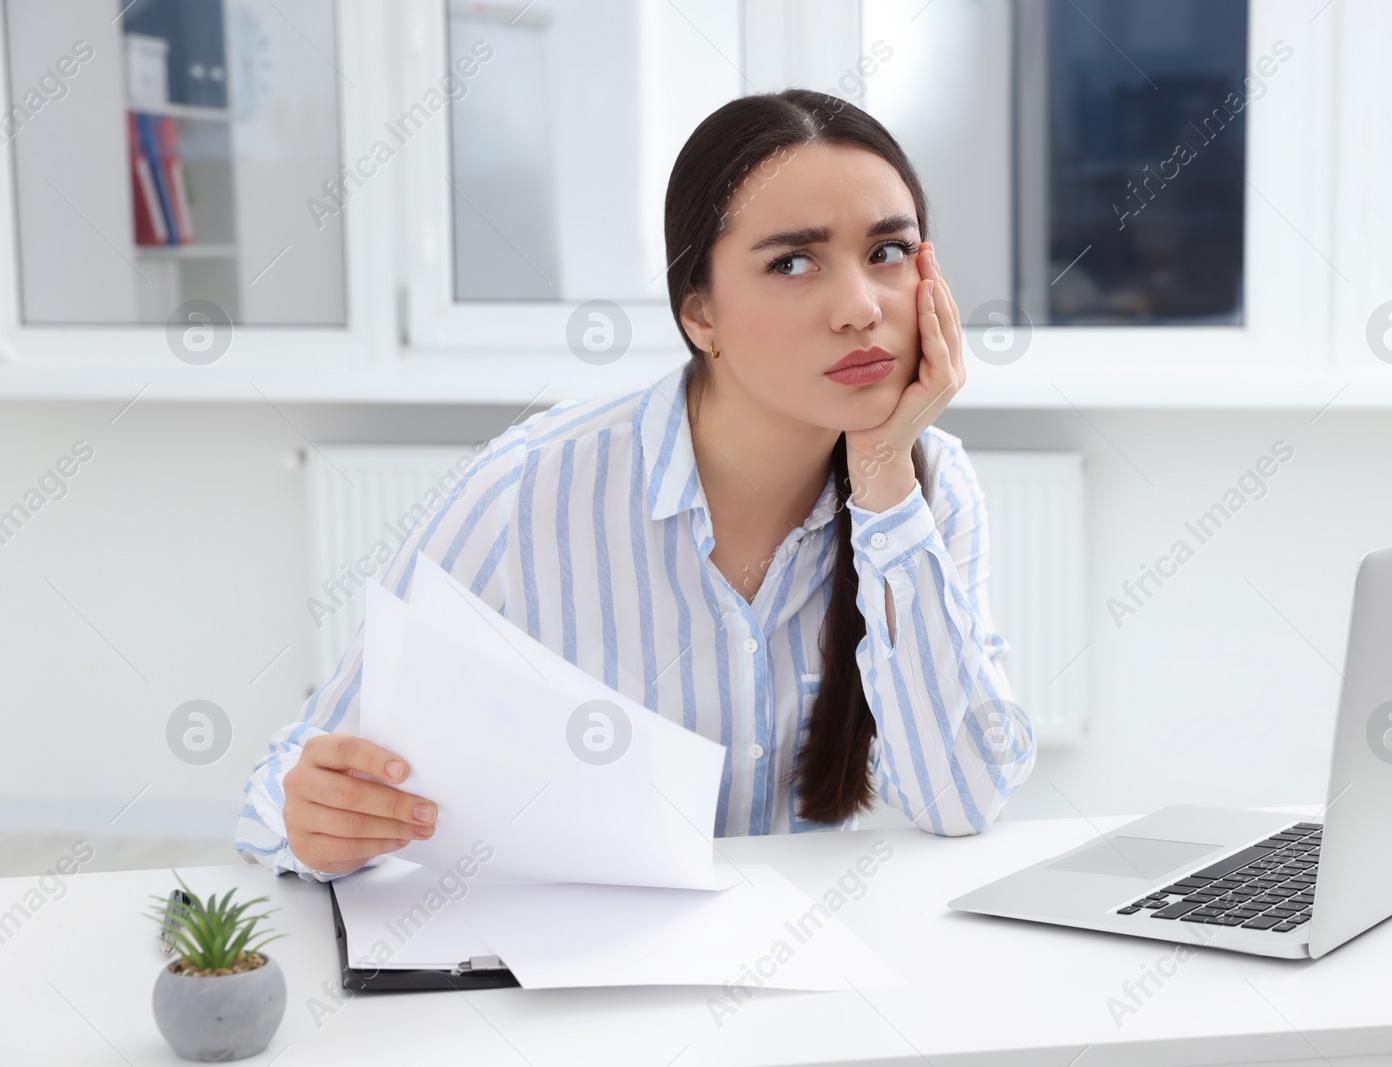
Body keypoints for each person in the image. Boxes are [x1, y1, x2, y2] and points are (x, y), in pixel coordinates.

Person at [236, 88, 1036, 881]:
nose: (862, 308)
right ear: (700, 316)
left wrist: (887, 480)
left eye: (888, 252)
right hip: (579, 978)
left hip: (799, 972)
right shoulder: (526, 491)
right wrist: (314, 820)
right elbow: (283, 792)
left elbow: (958, 796)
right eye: (793, 262)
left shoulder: (929, 491)